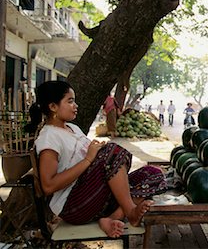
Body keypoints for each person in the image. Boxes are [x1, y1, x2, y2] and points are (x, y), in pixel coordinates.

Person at [33, 81, 167, 238]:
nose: (75, 105)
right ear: (53, 107)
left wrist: (96, 149)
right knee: (112, 152)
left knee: (153, 173)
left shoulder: (72, 128)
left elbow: (94, 159)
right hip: (73, 206)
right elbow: (48, 186)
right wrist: (89, 159)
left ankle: (111, 219)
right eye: (70, 101)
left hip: (96, 195)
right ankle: (130, 211)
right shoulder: (49, 138)